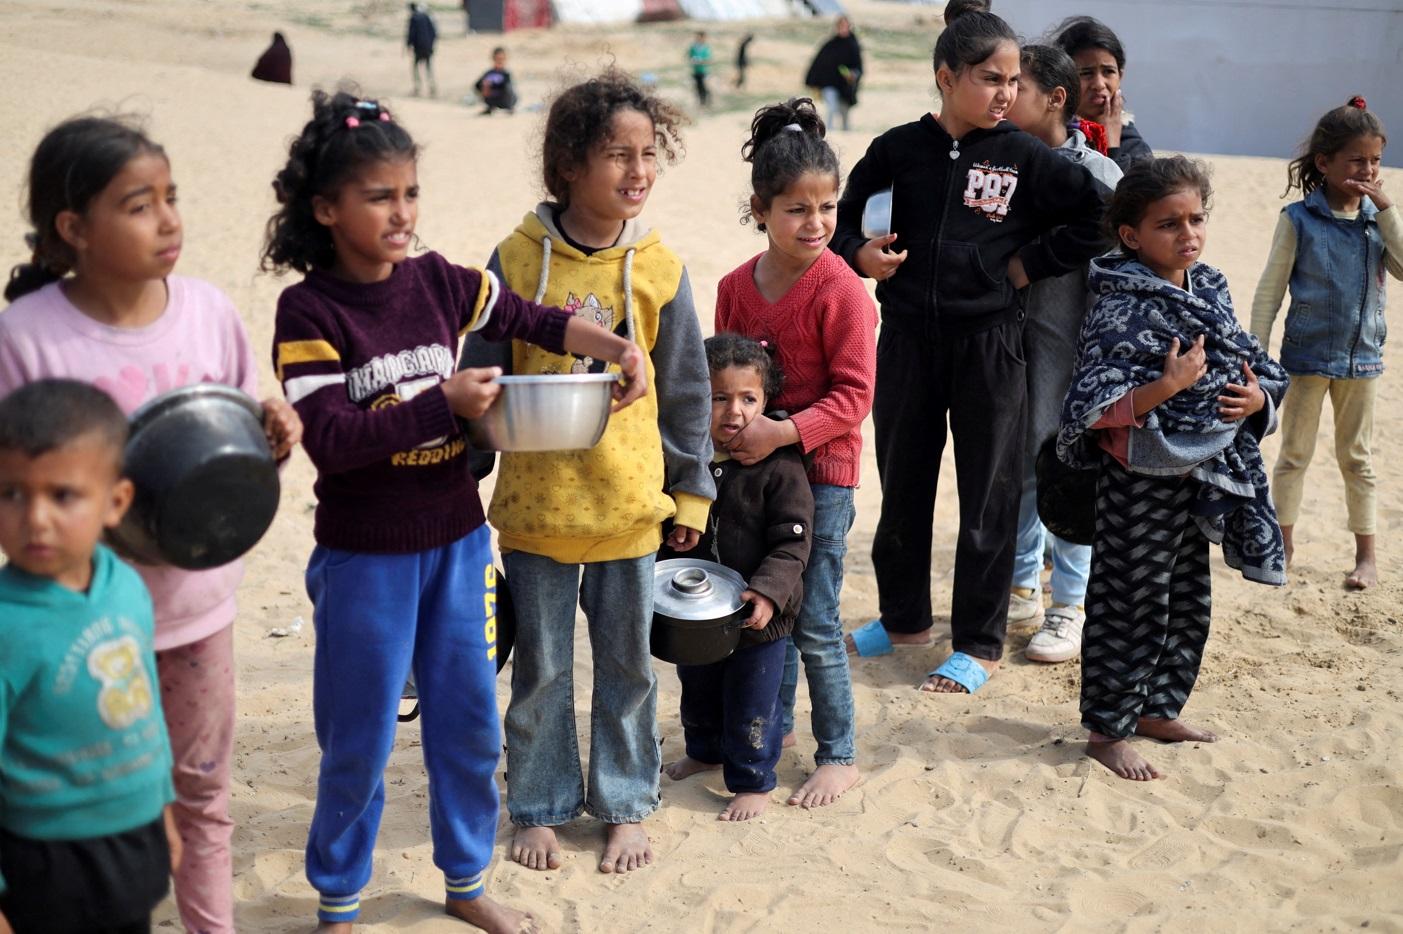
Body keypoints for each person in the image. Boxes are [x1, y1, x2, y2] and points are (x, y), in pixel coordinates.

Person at [263, 90, 647, 931]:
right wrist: (443, 402)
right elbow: (331, 437)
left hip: (460, 548)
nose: (401, 214)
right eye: (378, 197)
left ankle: (467, 883)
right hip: (365, 559)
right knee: (359, 737)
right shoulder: (309, 312)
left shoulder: (439, 281)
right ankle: (338, 902)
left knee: (468, 726)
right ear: (326, 210)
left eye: (409, 194)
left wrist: (616, 347)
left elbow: (532, 318)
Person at [0, 115, 301, 934]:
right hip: (72, 622)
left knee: (200, 793)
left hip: (196, 608)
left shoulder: (205, 311)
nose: (169, 220)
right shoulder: (25, 338)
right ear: (74, 229)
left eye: (171, 198)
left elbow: (235, 454)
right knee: (78, 796)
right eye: (139, 204)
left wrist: (274, 433)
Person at [459, 69, 713, 876]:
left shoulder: (661, 268)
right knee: (537, 671)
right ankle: (536, 803)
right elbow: (480, 373)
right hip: (535, 511)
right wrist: (460, 473)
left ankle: (625, 802)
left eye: (647, 155)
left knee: (627, 670)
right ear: (568, 164)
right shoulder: (513, 257)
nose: (636, 171)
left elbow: (684, 391)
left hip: (628, 508)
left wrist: (691, 492)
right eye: (615, 155)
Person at [831, 11, 1106, 695]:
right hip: (904, 342)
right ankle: (903, 622)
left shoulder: (1023, 157)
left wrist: (1028, 263)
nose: (1005, 93)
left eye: (1013, 80)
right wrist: (859, 256)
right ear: (946, 77)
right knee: (903, 485)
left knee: (988, 494)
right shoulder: (896, 149)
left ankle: (979, 644)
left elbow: (1101, 216)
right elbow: (840, 227)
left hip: (989, 345)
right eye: (990, 79)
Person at [1057, 156, 1288, 780]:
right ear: (1131, 235)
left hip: (1203, 469)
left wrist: (1257, 398)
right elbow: (1092, 404)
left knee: (1187, 600)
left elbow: (1248, 358)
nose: (1187, 234)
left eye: (1196, 219)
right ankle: (1107, 730)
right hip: (1137, 477)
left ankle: (1159, 709)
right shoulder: (1117, 301)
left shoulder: (1207, 285)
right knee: (1128, 602)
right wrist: (1168, 386)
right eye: (1168, 224)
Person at [714, 99, 875, 807]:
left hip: (824, 477)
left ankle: (837, 751)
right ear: (760, 208)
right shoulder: (730, 289)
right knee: (759, 610)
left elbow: (853, 398)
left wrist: (781, 432)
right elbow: (721, 380)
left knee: (811, 616)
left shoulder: (839, 288)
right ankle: (765, 736)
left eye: (828, 207)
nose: (815, 224)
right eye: (796, 210)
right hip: (753, 479)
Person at [0, 380, 180, 934]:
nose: (36, 518)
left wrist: (164, 812)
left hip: (135, 839)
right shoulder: (7, 625)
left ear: (115, 502)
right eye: (11, 493)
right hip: (43, 860)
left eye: (63, 495)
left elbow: (145, 703)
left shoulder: (125, 585)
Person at [661, 335, 814, 822]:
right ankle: (704, 750)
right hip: (698, 615)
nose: (734, 411)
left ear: (766, 402)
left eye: (749, 399)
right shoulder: (686, 458)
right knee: (698, 687)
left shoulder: (780, 466)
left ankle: (752, 780)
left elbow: (793, 541)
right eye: (719, 397)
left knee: (752, 701)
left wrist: (769, 592)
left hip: (757, 616)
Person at [1004, 44, 1122, 663]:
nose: (1003, 96)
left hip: (1070, 360)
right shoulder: (995, 167)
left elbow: (1122, 285)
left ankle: (1068, 607)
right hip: (1006, 358)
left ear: (1054, 98)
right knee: (1016, 473)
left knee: (1068, 474)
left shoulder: (1099, 178)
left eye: (1015, 86)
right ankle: (1021, 589)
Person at [1251, 97, 1398, 591]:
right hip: (1306, 357)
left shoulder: (1378, 222)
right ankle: (1284, 545)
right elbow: (1270, 290)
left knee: (1358, 459)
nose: (1368, 169)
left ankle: (1366, 556)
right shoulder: (1298, 220)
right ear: (1325, 163)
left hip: (1364, 359)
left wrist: (1388, 211)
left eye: (1375, 160)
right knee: (1294, 454)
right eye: (1357, 160)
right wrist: (1256, 348)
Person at [1051, 16, 1151, 169]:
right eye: (1086, 73)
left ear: (1120, 76)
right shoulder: (1051, 135)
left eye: (1108, 71)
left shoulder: (1134, 147)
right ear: (1065, 79)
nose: (1099, 84)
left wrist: (1111, 145)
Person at [804, 16, 862, 132]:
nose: (843, 29)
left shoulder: (853, 45)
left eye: (845, 26)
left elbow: (858, 67)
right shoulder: (830, 45)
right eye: (841, 26)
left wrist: (852, 74)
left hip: (845, 87)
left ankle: (847, 135)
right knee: (832, 108)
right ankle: (828, 132)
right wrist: (812, 82)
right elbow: (817, 64)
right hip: (828, 84)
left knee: (844, 112)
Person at [406, 3, 438, 98]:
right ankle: (432, 87)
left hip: (419, 48)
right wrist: (431, 45)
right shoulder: (426, 17)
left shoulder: (414, 19)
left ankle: (417, 88)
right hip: (428, 47)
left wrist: (408, 45)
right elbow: (434, 33)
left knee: (416, 68)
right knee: (428, 67)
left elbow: (411, 34)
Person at [475, 47, 517, 115]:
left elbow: (507, 86)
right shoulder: (489, 73)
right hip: (492, 99)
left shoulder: (506, 73)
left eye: (502, 59)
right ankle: (490, 107)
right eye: (498, 59)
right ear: (493, 59)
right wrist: (484, 87)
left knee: (508, 87)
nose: (500, 61)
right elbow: (477, 85)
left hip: (505, 100)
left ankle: (509, 108)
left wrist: (494, 85)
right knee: (484, 86)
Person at [688, 31, 712, 108]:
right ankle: (701, 103)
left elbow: (708, 60)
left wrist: (700, 61)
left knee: (705, 87)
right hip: (696, 71)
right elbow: (690, 57)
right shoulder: (693, 48)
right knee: (698, 87)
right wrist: (693, 60)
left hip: (704, 71)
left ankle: (707, 102)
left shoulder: (706, 48)